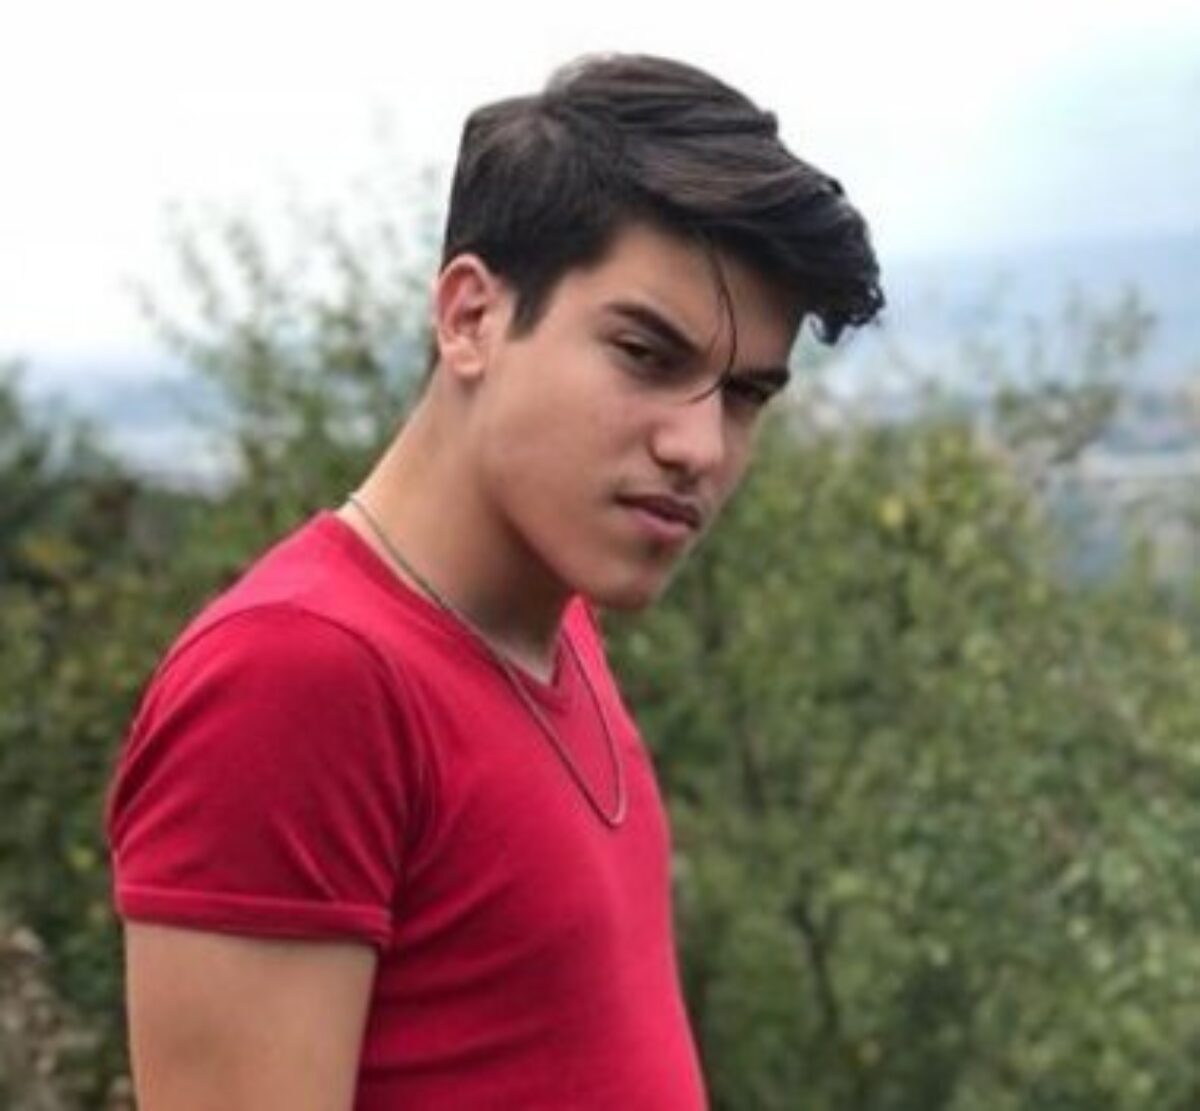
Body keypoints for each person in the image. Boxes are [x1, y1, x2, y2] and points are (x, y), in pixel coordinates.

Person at [106, 52, 883, 1109]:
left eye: (745, 394)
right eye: (646, 354)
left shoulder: (551, 624)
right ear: (471, 316)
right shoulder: (295, 676)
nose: (700, 447)